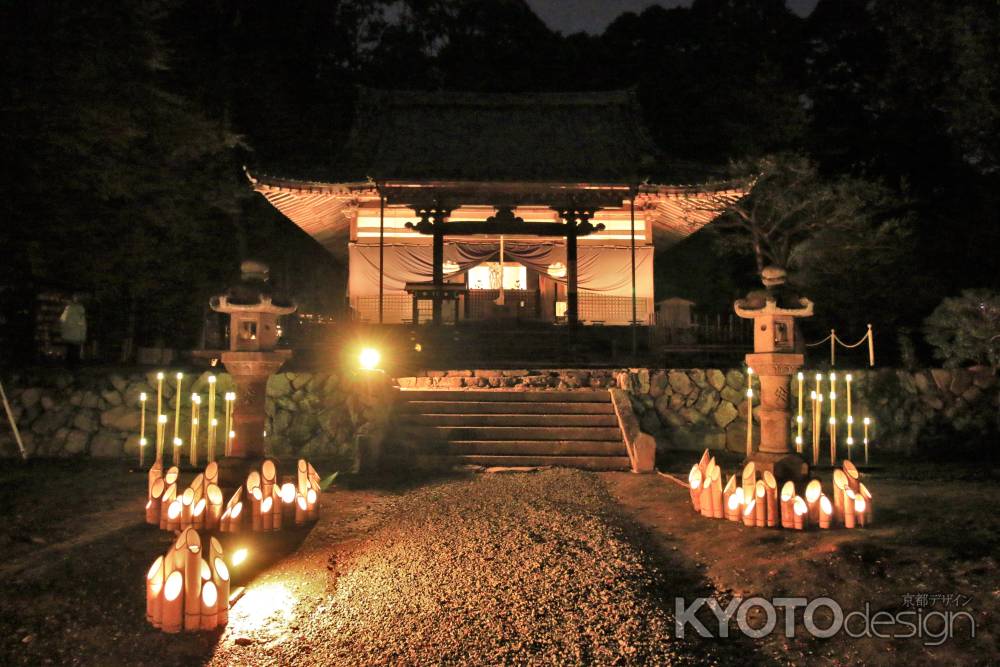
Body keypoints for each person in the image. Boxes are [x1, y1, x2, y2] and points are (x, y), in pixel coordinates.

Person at [59, 295, 87, 366]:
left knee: (69, 350)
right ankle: (75, 367)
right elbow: (82, 325)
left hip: (67, 334)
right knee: (76, 351)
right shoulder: (81, 311)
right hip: (77, 336)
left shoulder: (67, 309)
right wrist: (83, 335)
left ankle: (68, 365)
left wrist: (64, 330)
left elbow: (62, 320)